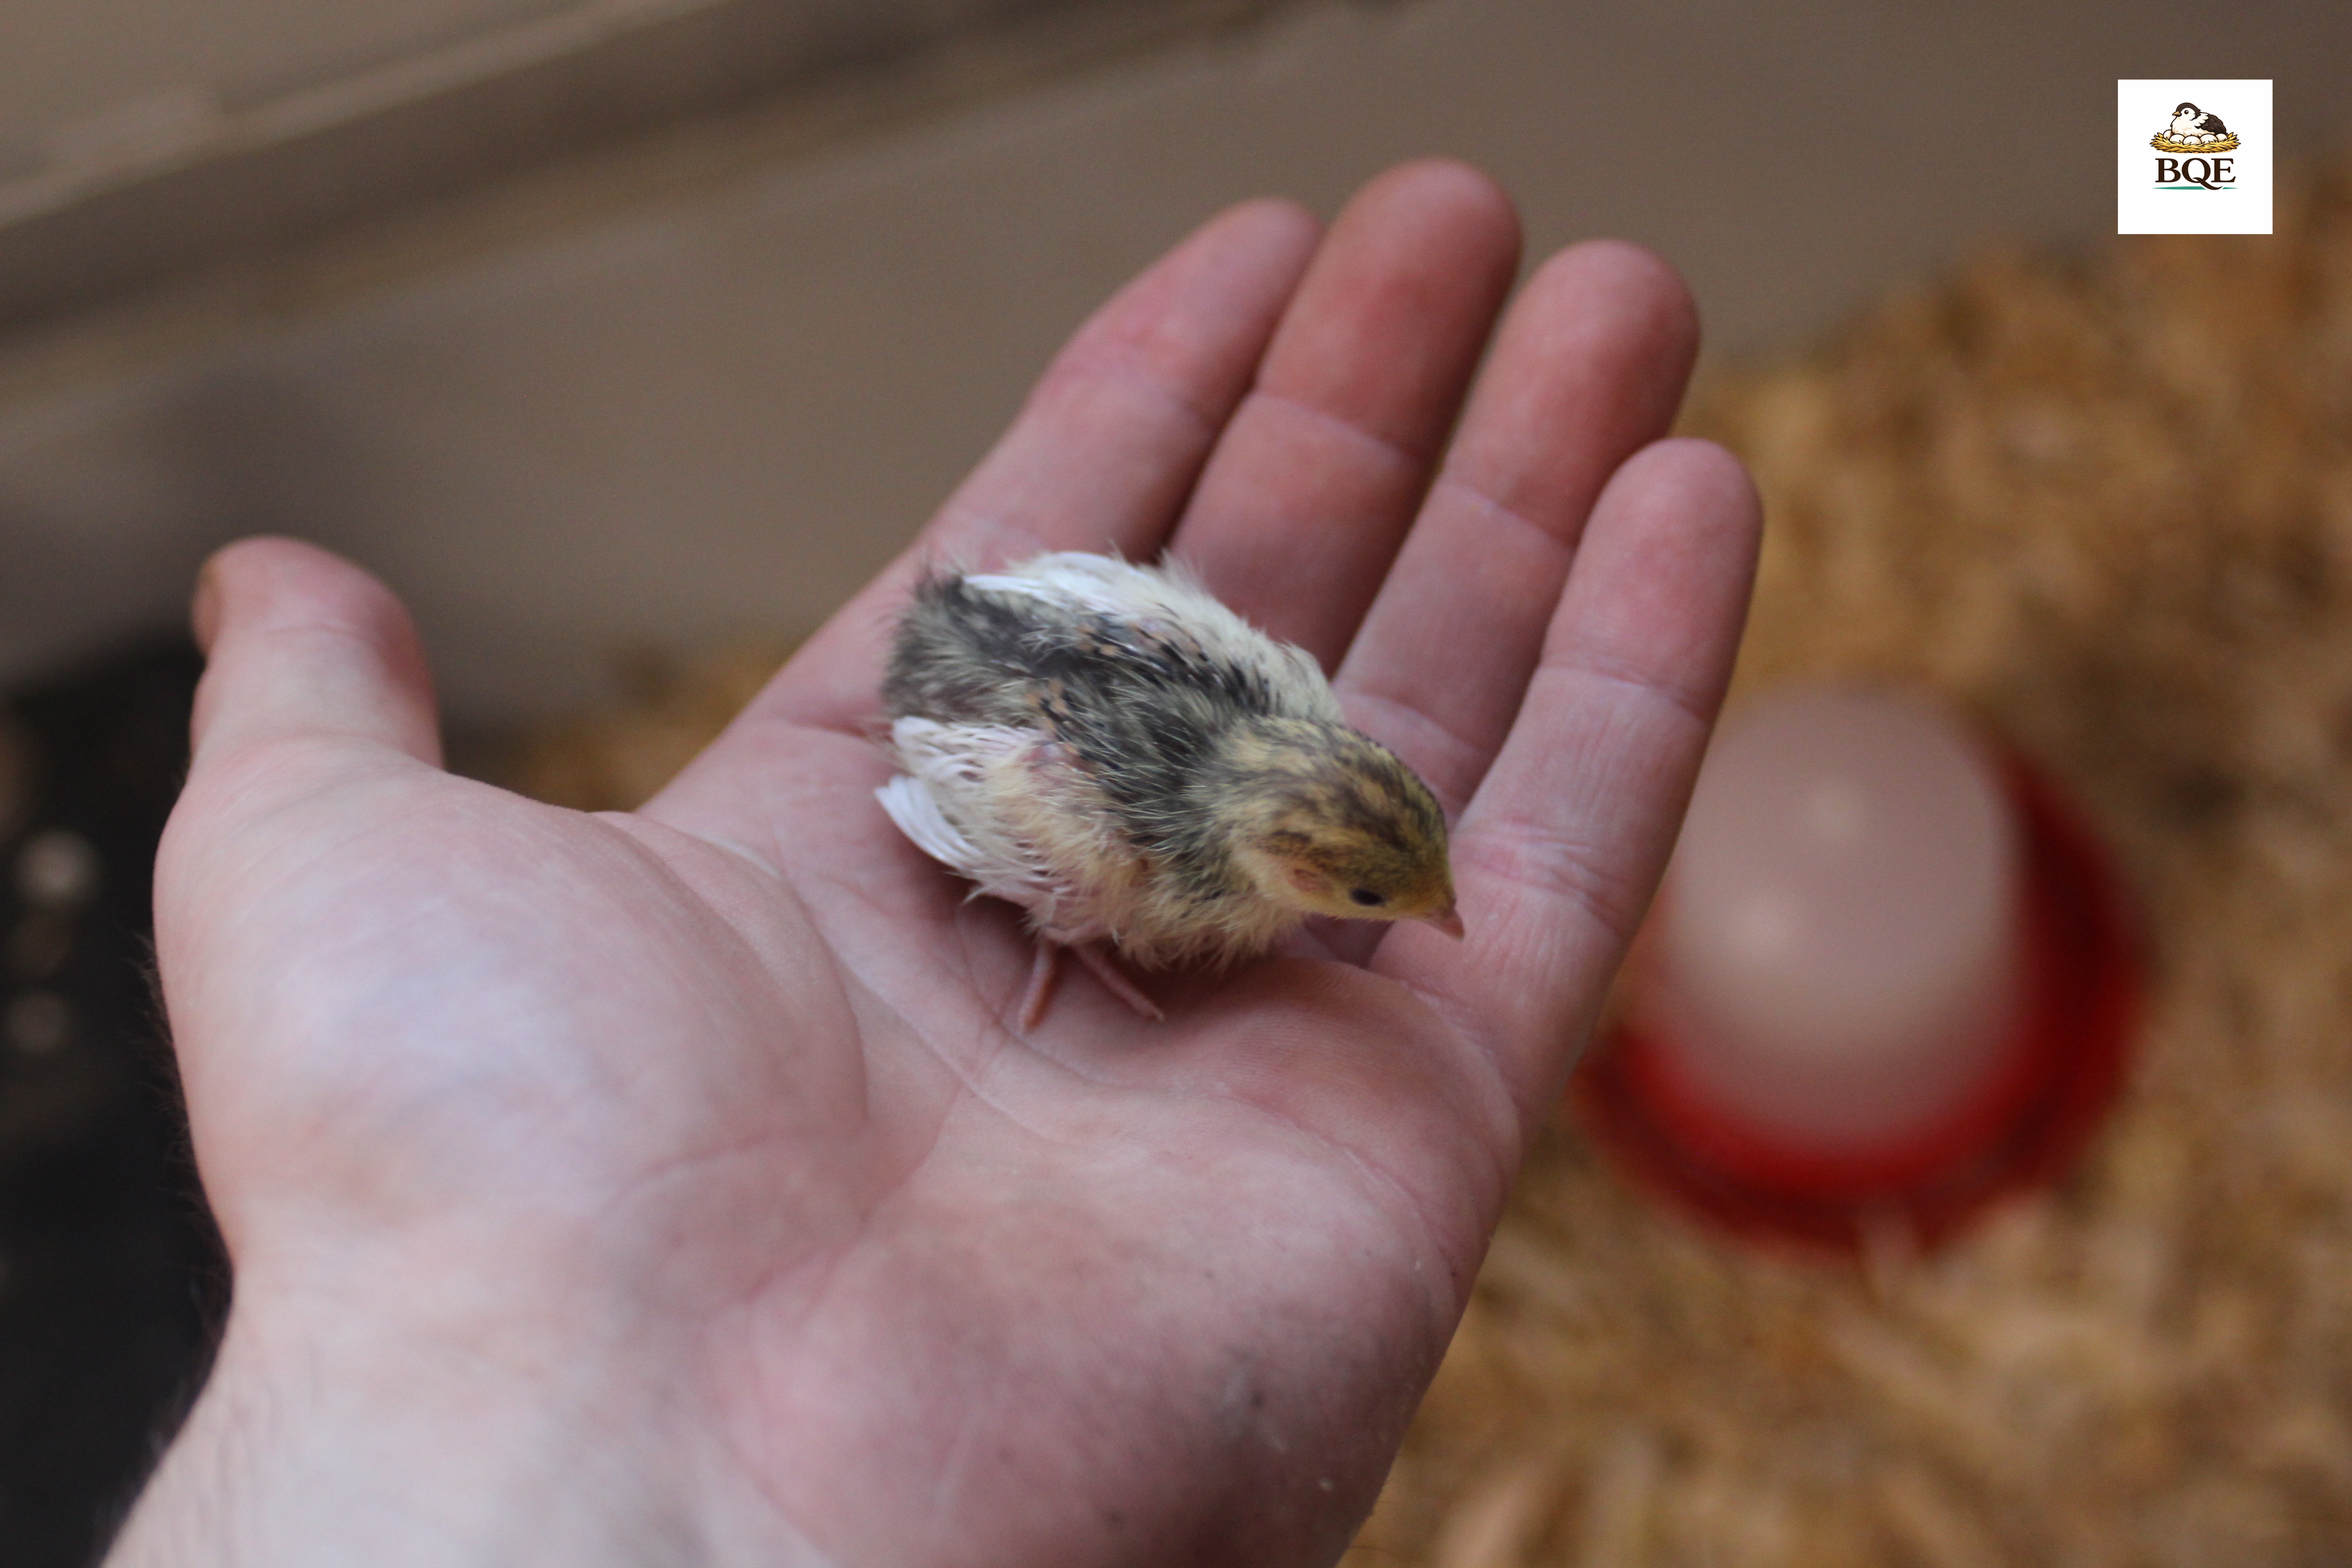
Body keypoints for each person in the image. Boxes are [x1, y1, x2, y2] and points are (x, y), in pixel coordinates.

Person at [106, 158, 1758, 1566]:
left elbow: (1095, 613)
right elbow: (984, 762)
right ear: (1292, 863)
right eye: (1375, 895)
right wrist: (1068, 922)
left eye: (1398, 890)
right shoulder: (1148, 870)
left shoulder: (1286, 715)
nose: (1425, 921)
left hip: (1025, 642)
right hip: (988, 711)